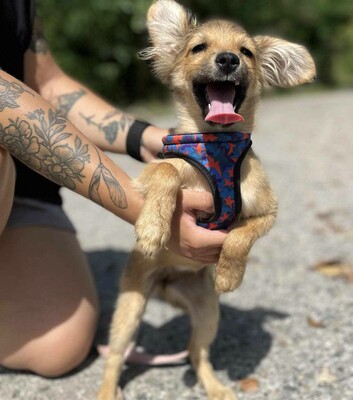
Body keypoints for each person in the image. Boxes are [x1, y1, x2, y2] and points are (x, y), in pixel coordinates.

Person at [0, 0, 227, 377]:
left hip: (19, 190)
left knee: (58, 348)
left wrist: (146, 138)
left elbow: (47, 84)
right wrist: (149, 212)